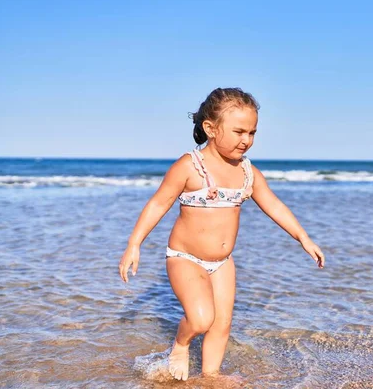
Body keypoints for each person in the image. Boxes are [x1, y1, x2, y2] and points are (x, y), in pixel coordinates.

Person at [118, 87, 325, 381]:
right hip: (185, 257)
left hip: (223, 262)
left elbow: (274, 205)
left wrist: (304, 238)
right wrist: (134, 244)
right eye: (239, 131)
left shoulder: (248, 172)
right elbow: (157, 204)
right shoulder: (190, 166)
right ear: (211, 128)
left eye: (252, 132)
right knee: (202, 319)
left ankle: (211, 376)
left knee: (222, 324)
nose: (246, 140)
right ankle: (181, 343)